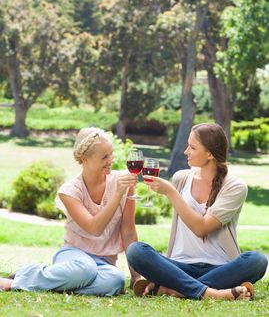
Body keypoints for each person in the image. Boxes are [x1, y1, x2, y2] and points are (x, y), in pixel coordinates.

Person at [127, 123, 268, 300]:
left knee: (258, 260)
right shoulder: (181, 178)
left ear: (209, 154)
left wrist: (171, 192)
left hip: (220, 267)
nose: (186, 151)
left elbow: (201, 228)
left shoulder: (235, 186)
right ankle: (212, 293)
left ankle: (174, 289)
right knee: (136, 251)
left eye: (192, 147)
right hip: (179, 265)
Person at [0, 127, 140, 295]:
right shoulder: (70, 191)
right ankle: (18, 279)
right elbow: (94, 228)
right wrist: (118, 194)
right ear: (84, 159)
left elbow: (128, 231)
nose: (111, 160)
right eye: (104, 156)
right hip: (73, 257)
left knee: (115, 280)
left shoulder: (122, 182)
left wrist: (135, 277)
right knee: (85, 270)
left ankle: (55, 285)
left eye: (111, 154)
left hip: (104, 263)